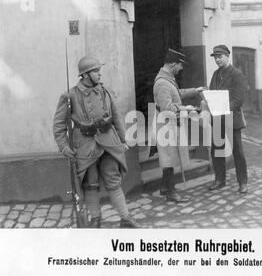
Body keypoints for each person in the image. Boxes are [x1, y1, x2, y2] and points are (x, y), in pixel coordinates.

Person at [53, 56, 138, 228]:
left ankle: (126, 218)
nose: (99, 74)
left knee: (114, 180)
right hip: (85, 145)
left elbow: (116, 116)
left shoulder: (104, 91)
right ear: (85, 75)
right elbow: (59, 124)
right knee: (90, 184)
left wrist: (123, 139)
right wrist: (63, 147)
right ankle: (95, 218)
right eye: (96, 71)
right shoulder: (70, 95)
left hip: (109, 143)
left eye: (99, 71)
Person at [153, 48, 205, 203]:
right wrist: (186, 109)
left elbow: (177, 94)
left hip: (171, 123)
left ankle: (164, 187)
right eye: (180, 66)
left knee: (169, 156)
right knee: (168, 158)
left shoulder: (167, 79)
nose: (181, 69)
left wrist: (195, 91)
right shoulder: (162, 82)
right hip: (166, 124)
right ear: (173, 65)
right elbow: (167, 107)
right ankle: (171, 192)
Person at [207, 44, 248, 194]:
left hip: (232, 119)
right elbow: (211, 93)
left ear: (227, 56)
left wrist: (221, 108)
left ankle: (243, 182)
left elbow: (239, 100)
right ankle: (220, 180)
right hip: (217, 119)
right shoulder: (215, 75)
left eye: (220, 57)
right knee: (217, 150)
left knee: (237, 152)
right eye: (215, 58)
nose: (217, 60)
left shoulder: (237, 74)